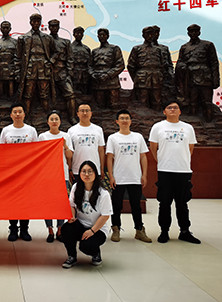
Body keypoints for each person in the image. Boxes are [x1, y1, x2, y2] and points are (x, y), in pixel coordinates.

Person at [149, 100, 200, 244]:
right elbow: (153, 148)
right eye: (169, 107)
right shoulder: (158, 127)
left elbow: (190, 149)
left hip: (183, 170)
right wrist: (162, 160)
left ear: (180, 111)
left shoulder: (188, 128)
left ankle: (185, 231)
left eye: (175, 107)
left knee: (182, 203)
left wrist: (181, 161)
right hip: (165, 170)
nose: (173, 109)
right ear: (164, 111)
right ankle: (164, 231)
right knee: (164, 203)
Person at [106, 109, 151, 243]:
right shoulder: (113, 138)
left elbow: (143, 157)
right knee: (116, 205)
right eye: (122, 118)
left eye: (127, 118)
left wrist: (144, 174)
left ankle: (139, 230)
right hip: (119, 177)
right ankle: (116, 229)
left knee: (136, 205)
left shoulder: (138, 137)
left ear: (131, 121)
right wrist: (111, 176)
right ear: (117, 121)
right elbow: (109, 158)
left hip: (135, 177)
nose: (124, 120)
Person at [61, 160, 112, 268]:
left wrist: (92, 231)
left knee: (85, 246)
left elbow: (105, 216)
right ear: (79, 174)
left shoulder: (103, 194)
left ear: (95, 173)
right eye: (83, 171)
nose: (86, 174)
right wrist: (72, 216)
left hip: (97, 229)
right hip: (81, 225)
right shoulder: (76, 187)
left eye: (90, 171)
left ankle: (96, 253)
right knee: (66, 229)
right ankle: (71, 256)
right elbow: (72, 205)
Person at [0, 103, 38, 241]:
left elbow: (37, 151)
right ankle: (13, 229)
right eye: (15, 112)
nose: (17, 114)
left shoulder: (31, 130)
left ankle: (24, 229)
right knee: (12, 202)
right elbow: (1, 151)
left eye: (20, 112)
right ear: (11, 115)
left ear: (24, 114)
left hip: (26, 173)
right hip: (11, 173)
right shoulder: (6, 130)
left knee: (25, 201)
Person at [38, 110, 73, 243]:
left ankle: (60, 229)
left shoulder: (66, 136)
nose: (54, 121)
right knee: (47, 203)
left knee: (61, 203)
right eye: (51, 119)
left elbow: (69, 155)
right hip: (47, 175)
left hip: (62, 174)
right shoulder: (43, 136)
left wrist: (64, 145)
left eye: (56, 119)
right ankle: (50, 230)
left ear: (60, 121)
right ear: (47, 122)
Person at [175, 24, 220, 122]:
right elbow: (180, 62)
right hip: (190, 77)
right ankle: (194, 123)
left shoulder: (207, 45)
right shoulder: (184, 47)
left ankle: (209, 122)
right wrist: (182, 67)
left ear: (199, 32)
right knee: (192, 101)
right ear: (188, 33)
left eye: (196, 31)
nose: (194, 33)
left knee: (207, 102)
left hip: (205, 77)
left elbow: (214, 63)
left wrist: (216, 79)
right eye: (191, 31)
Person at [16, 13, 56, 114]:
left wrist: (50, 61)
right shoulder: (23, 38)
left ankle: (47, 115)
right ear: (30, 23)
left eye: (38, 21)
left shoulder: (47, 38)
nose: (36, 23)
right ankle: (27, 115)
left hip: (43, 67)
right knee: (28, 93)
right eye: (34, 22)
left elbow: (56, 52)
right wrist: (17, 72)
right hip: (30, 67)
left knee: (44, 93)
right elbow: (18, 56)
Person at [127, 26, 166, 111]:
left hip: (156, 77)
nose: (150, 36)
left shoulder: (158, 50)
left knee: (157, 100)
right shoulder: (137, 49)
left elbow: (162, 65)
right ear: (143, 35)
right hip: (142, 78)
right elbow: (131, 66)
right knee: (142, 100)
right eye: (147, 34)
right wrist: (136, 78)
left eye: (152, 34)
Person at [48, 19, 78, 124]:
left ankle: (72, 117)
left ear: (59, 27)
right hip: (47, 72)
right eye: (52, 26)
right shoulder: (44, 41)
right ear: (49, 28)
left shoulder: (65, 42)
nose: (54, 28)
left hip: (62, 72)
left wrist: (69, 73)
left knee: (70, 94)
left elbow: (70, 59)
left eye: (56, 26)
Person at [67, 104, 105, 181]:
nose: (85, 113)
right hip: (77, 170)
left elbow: (101, 150)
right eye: (82, 111)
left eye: (87, 111)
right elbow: (70, 151)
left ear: (91, 113)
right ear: (77, 114)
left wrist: (101, 168)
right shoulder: (71, 131)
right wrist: (70, 169)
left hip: (94, 169)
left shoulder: (98, 129)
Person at [89, 28, 124, 109]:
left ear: (107, 36)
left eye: (104, 35)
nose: (102, 37)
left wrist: (108, 75)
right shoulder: (94, 51)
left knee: (113, 106)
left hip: (111, 82)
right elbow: (90, 66)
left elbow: (120, 65)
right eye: (100, 35)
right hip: (98, 83)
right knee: (99, 107)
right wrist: (92, 74)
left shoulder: (115, 48)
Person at [0, 20, 18, 97]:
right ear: (0, 29)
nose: (5, 29)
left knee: (11, 94)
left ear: (10, 29)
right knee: (0, 94)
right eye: (3, 28)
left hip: (11, 70)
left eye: (7, 28)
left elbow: (18, 57)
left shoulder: (15, 42)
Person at [70, 26, 91, 95]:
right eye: (77, 33)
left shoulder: (86, 48)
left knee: (85, 94)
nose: (79, 35)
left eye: (81, 33)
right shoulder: (70, 47)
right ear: (74, 34)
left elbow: (90, 63)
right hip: (74, 74)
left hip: (85, 75)